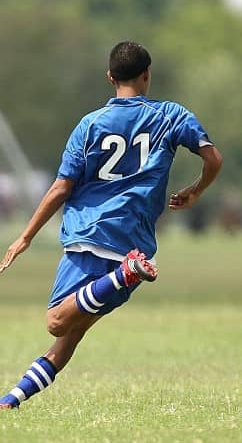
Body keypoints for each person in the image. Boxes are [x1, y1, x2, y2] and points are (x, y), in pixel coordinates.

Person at [0, 41, 223, 409]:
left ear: (109, 77)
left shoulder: (89, 125)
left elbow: (61, 187)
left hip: (90, 235)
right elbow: (213, 158)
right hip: (133, 240)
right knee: (70, 335)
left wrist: (24, 237)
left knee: (57, 321)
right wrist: (195, 191)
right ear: (148, 74)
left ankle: (123, 275)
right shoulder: (171, 115)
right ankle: (12, 400)